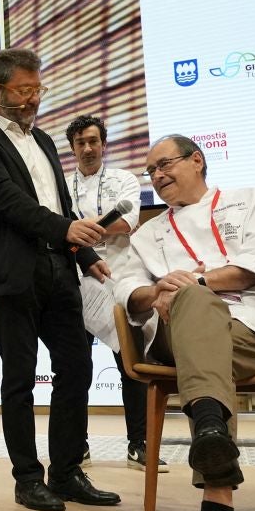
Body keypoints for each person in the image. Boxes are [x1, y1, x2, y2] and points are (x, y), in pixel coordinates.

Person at [113, 134, 255, 511]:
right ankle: (214, 467)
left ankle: (215, 489)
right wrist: (154, 290)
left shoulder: (252, 201)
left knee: (194, 300)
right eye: (151, 172)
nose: (157, 176)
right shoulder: (148, 233)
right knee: (192, 304)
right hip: (178, 336)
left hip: (253, 331)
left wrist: (193, 284)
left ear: (197, 160)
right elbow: (124, 287)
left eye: (165, 164)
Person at [0, 48, 121, 511]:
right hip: (14, 275)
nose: (33, 99)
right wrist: (64, 229)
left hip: (59, 271)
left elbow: (61, 205)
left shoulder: (46, 140)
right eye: (24, 91)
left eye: (37, 90)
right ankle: (28, 478)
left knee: (77, 369)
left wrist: (84, 254)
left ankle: (67, 472)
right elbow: (8, 202)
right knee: (19, 380)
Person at [65, 114, 165, 473]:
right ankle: (78, 446)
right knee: (76, 367)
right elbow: (61, 229)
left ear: (103, 144)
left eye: (94, 141)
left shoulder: (124, 179)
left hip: (121, 279)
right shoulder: (63, 185)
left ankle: (138, 445)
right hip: (76, 282)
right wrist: (80, 235)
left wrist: (81, 233)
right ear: (73, 148)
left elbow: (127, 222)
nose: (88, 148)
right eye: (81, 143)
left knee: (131, 365)